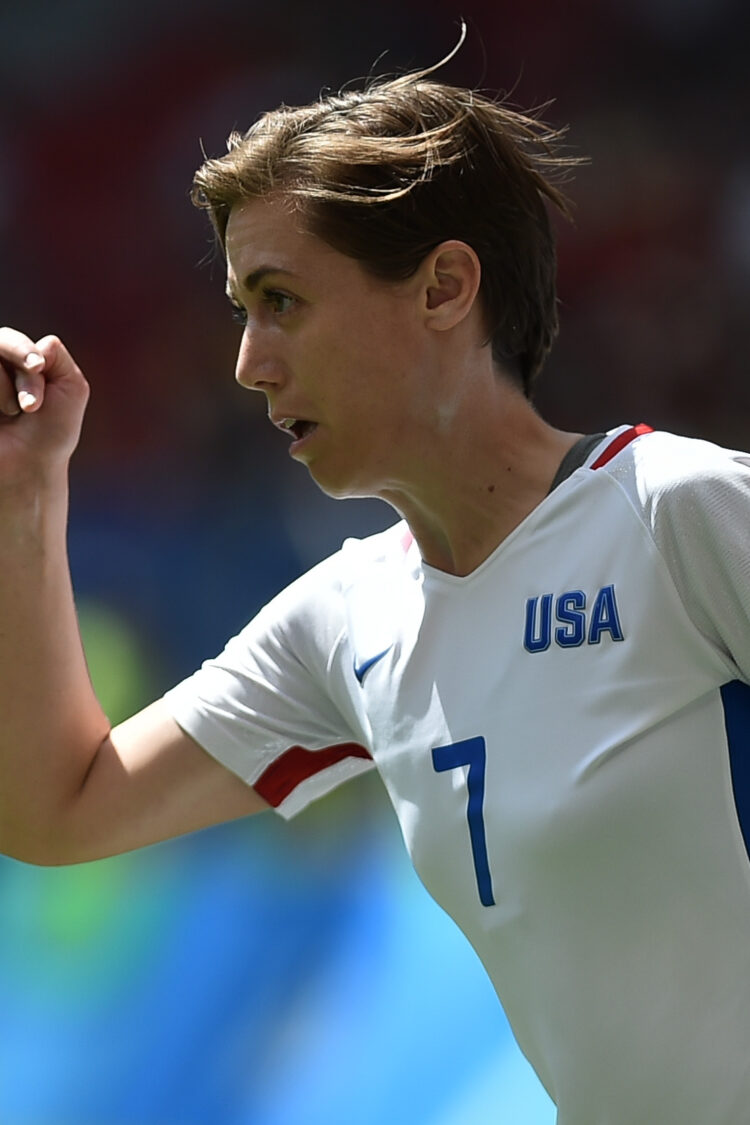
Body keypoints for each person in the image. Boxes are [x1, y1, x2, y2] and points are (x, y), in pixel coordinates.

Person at [1, 47, 750, 1125]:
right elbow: (56, 810)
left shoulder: (675, 510)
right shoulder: (342, 622)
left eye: (283, 301)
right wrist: (24, 499)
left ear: (445, 287)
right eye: (240, 310)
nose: (249, 362)